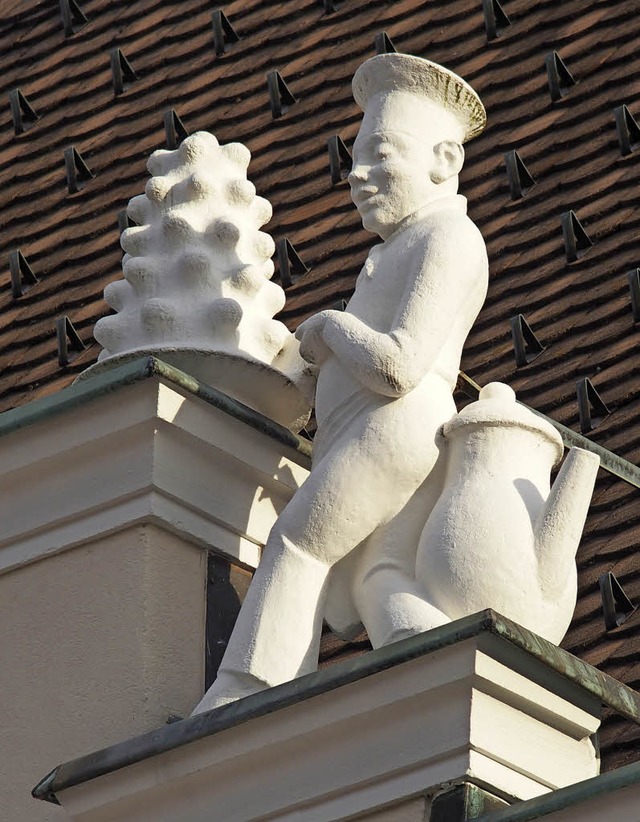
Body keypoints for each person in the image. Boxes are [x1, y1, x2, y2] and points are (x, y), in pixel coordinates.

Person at [192, 53, 489, 715]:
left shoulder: (449, 238)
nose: (357, 175)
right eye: (357, 157)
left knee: (299, 541)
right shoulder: (404, 246)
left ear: (444, 160)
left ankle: (250, 692)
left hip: (396, 424)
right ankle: (459, 680)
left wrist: (330, 327)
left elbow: (399, 366)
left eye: (381, 155)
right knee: (378, 581)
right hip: (376, 428)